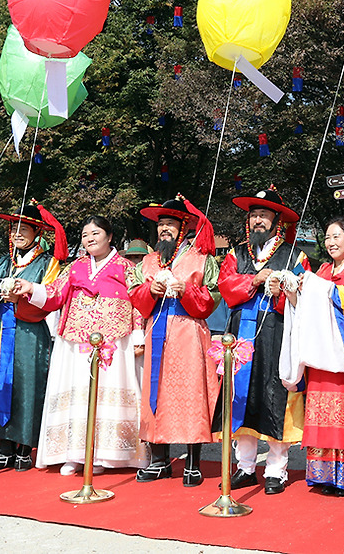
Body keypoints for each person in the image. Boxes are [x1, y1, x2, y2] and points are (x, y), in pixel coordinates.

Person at [215, 185, 310, 495]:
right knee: (242, 398)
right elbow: (226, 286)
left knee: (274, 398)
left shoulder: (294, 254)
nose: (257, 220)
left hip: (277, 332)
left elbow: (302, 295)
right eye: (254, 215)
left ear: (276, 220)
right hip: (239, 334)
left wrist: (282, 286)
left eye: (263, 215)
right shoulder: (236, 253)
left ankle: (276, 469)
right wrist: (254, 279)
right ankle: (245, 466)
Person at [34, 216, 147, 474]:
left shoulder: (126, 267)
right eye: (85, 235)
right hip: (76, 341)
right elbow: (54, 294)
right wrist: (30, 288)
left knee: (109, 391)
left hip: (114, 340)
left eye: (96, 233)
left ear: (109, 237)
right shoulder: (75, 267)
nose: (90, 239)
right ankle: (73, 453)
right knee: (78, 391)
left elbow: (139, 300)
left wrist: (139, 334)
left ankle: (105, 455)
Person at [129, 195, 220, 487]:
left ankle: (193, 462)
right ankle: (159, 460)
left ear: (183, 227)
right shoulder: (147, 261)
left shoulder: (201, 258)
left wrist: (187, 290)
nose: (164, 230)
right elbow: (134, 295)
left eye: (170, 224)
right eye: (161, 225)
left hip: (189, 331)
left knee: (191, 394)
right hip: (155, 331)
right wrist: (150, 291)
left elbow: (213, 298)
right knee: (156, 395)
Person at [0, 202, 66, 472]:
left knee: (28, 385)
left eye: (24, 230)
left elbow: (49, 298)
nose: (18, 235)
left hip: (30, 331)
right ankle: (3, 448)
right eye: (14, 230)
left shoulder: (48, 264)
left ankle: (25, 447)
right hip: (2, 331)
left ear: (37, 234)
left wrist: (21, 297)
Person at [297, 215, 344, 495]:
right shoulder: (324, 269)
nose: (331, 242)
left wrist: (326, 290)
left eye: (337, 236)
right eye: (327, 237)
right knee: (322, 415)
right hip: (321, 353)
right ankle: (325, 475)